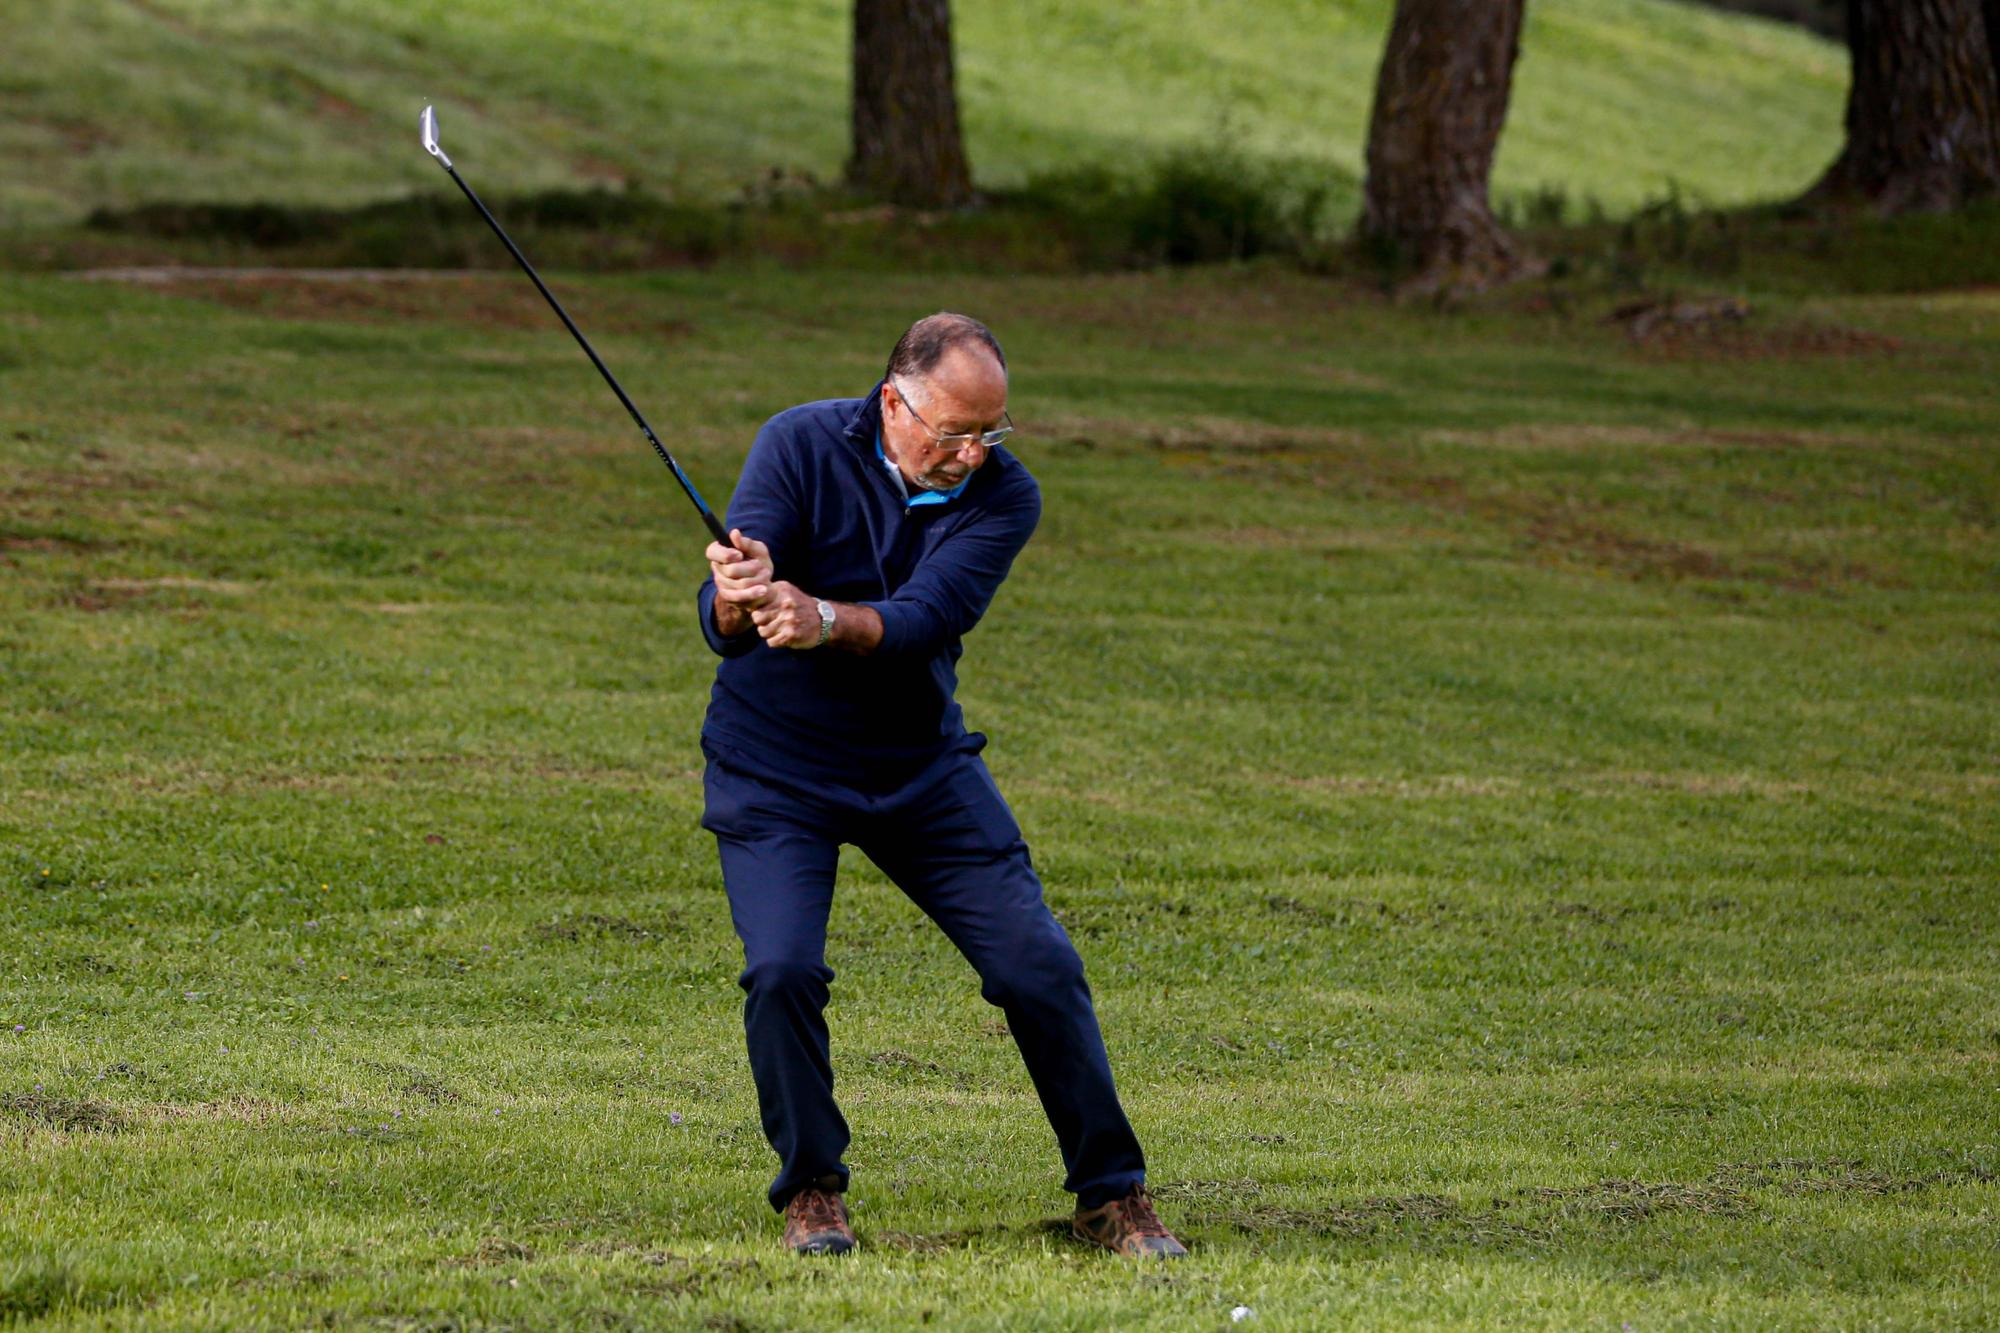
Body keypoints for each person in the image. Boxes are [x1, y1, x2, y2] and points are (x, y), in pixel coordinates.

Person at [695, 312, 1187, 1260]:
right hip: (774, 768)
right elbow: (724, 619)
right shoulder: (797, 442)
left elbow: (922, 620)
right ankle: (811, 1190)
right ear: (893, 401)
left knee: (1036, 964)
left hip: (918, 768)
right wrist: (738, 586)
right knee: (783, 969)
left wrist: (823, 616)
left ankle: (1110, 1196)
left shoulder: (1006, 497)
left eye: (989, 432)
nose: (970, 453)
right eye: (952, 431)